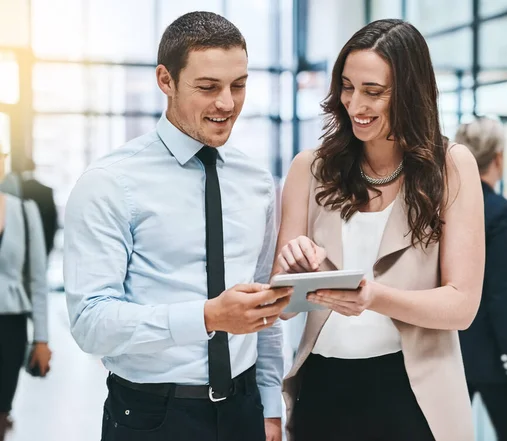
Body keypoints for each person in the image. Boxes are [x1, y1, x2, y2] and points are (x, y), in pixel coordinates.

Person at [64, 12, 291, 441]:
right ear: (165, 80)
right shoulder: (111, 183)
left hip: (244, 410)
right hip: (151, 415)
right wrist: (206, 317)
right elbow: (90, 323)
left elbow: (264, 310)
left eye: (238, 85)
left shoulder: (258, 183)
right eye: (208, 87)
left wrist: (269, 406)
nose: (227, 102)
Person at [274, 19, 485, 441]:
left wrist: (374, 298)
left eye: (374, 92)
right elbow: (282, 303)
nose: (355, 105)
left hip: (412, 393)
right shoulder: (310, 168)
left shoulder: (451, 166)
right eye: (347, 87)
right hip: (323, 387)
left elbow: (462, 305)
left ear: (409, 93)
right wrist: (292, 269)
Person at [455, 117, 507, 441]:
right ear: (498, 158)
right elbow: (504, 296)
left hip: (448, 354)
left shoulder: (442, 207)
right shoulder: (502, 214)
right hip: (494, 357)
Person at [0, 149, 52, 441]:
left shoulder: (23, 211)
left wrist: (41, 339)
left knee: (1, 409)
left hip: (9, 326)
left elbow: (38, 280)